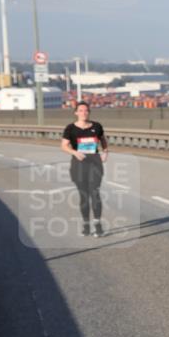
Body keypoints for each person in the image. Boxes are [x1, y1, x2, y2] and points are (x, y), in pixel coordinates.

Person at [61, 101, 108, 237]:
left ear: (89, 112)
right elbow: (64, 146)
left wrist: (105, 152)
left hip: (95, 163)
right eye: (80, 110)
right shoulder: (70, 128)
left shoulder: (97, 126)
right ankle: (86, 225)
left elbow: (103, 140)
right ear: (76, 113)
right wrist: (75, 153)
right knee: (84, 196)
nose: (83, 113)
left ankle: (98, 225)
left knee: (95, 193)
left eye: (86, 110)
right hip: (79, 164)